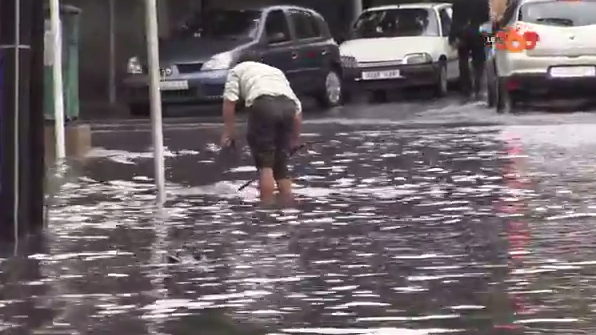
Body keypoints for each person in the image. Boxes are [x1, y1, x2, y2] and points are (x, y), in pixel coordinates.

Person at [220, 51, 302, 205]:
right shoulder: (275, 71)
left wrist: (228, 133)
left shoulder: (237, 70)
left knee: (265, 164)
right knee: (281, 163)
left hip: (263, 105)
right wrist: (294, 140)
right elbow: (297, 112)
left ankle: (266, 207)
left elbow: (229, 102)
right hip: (288, 107)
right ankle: (289, 205)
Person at [449, 0, 490, 101]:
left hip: (462, 33)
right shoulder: (482, 2)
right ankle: (478, 87)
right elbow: (486, 18)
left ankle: (467, 88)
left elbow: (455, 20)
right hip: (478, 34)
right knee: (479, 62)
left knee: (463, 61)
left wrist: (452, 37)